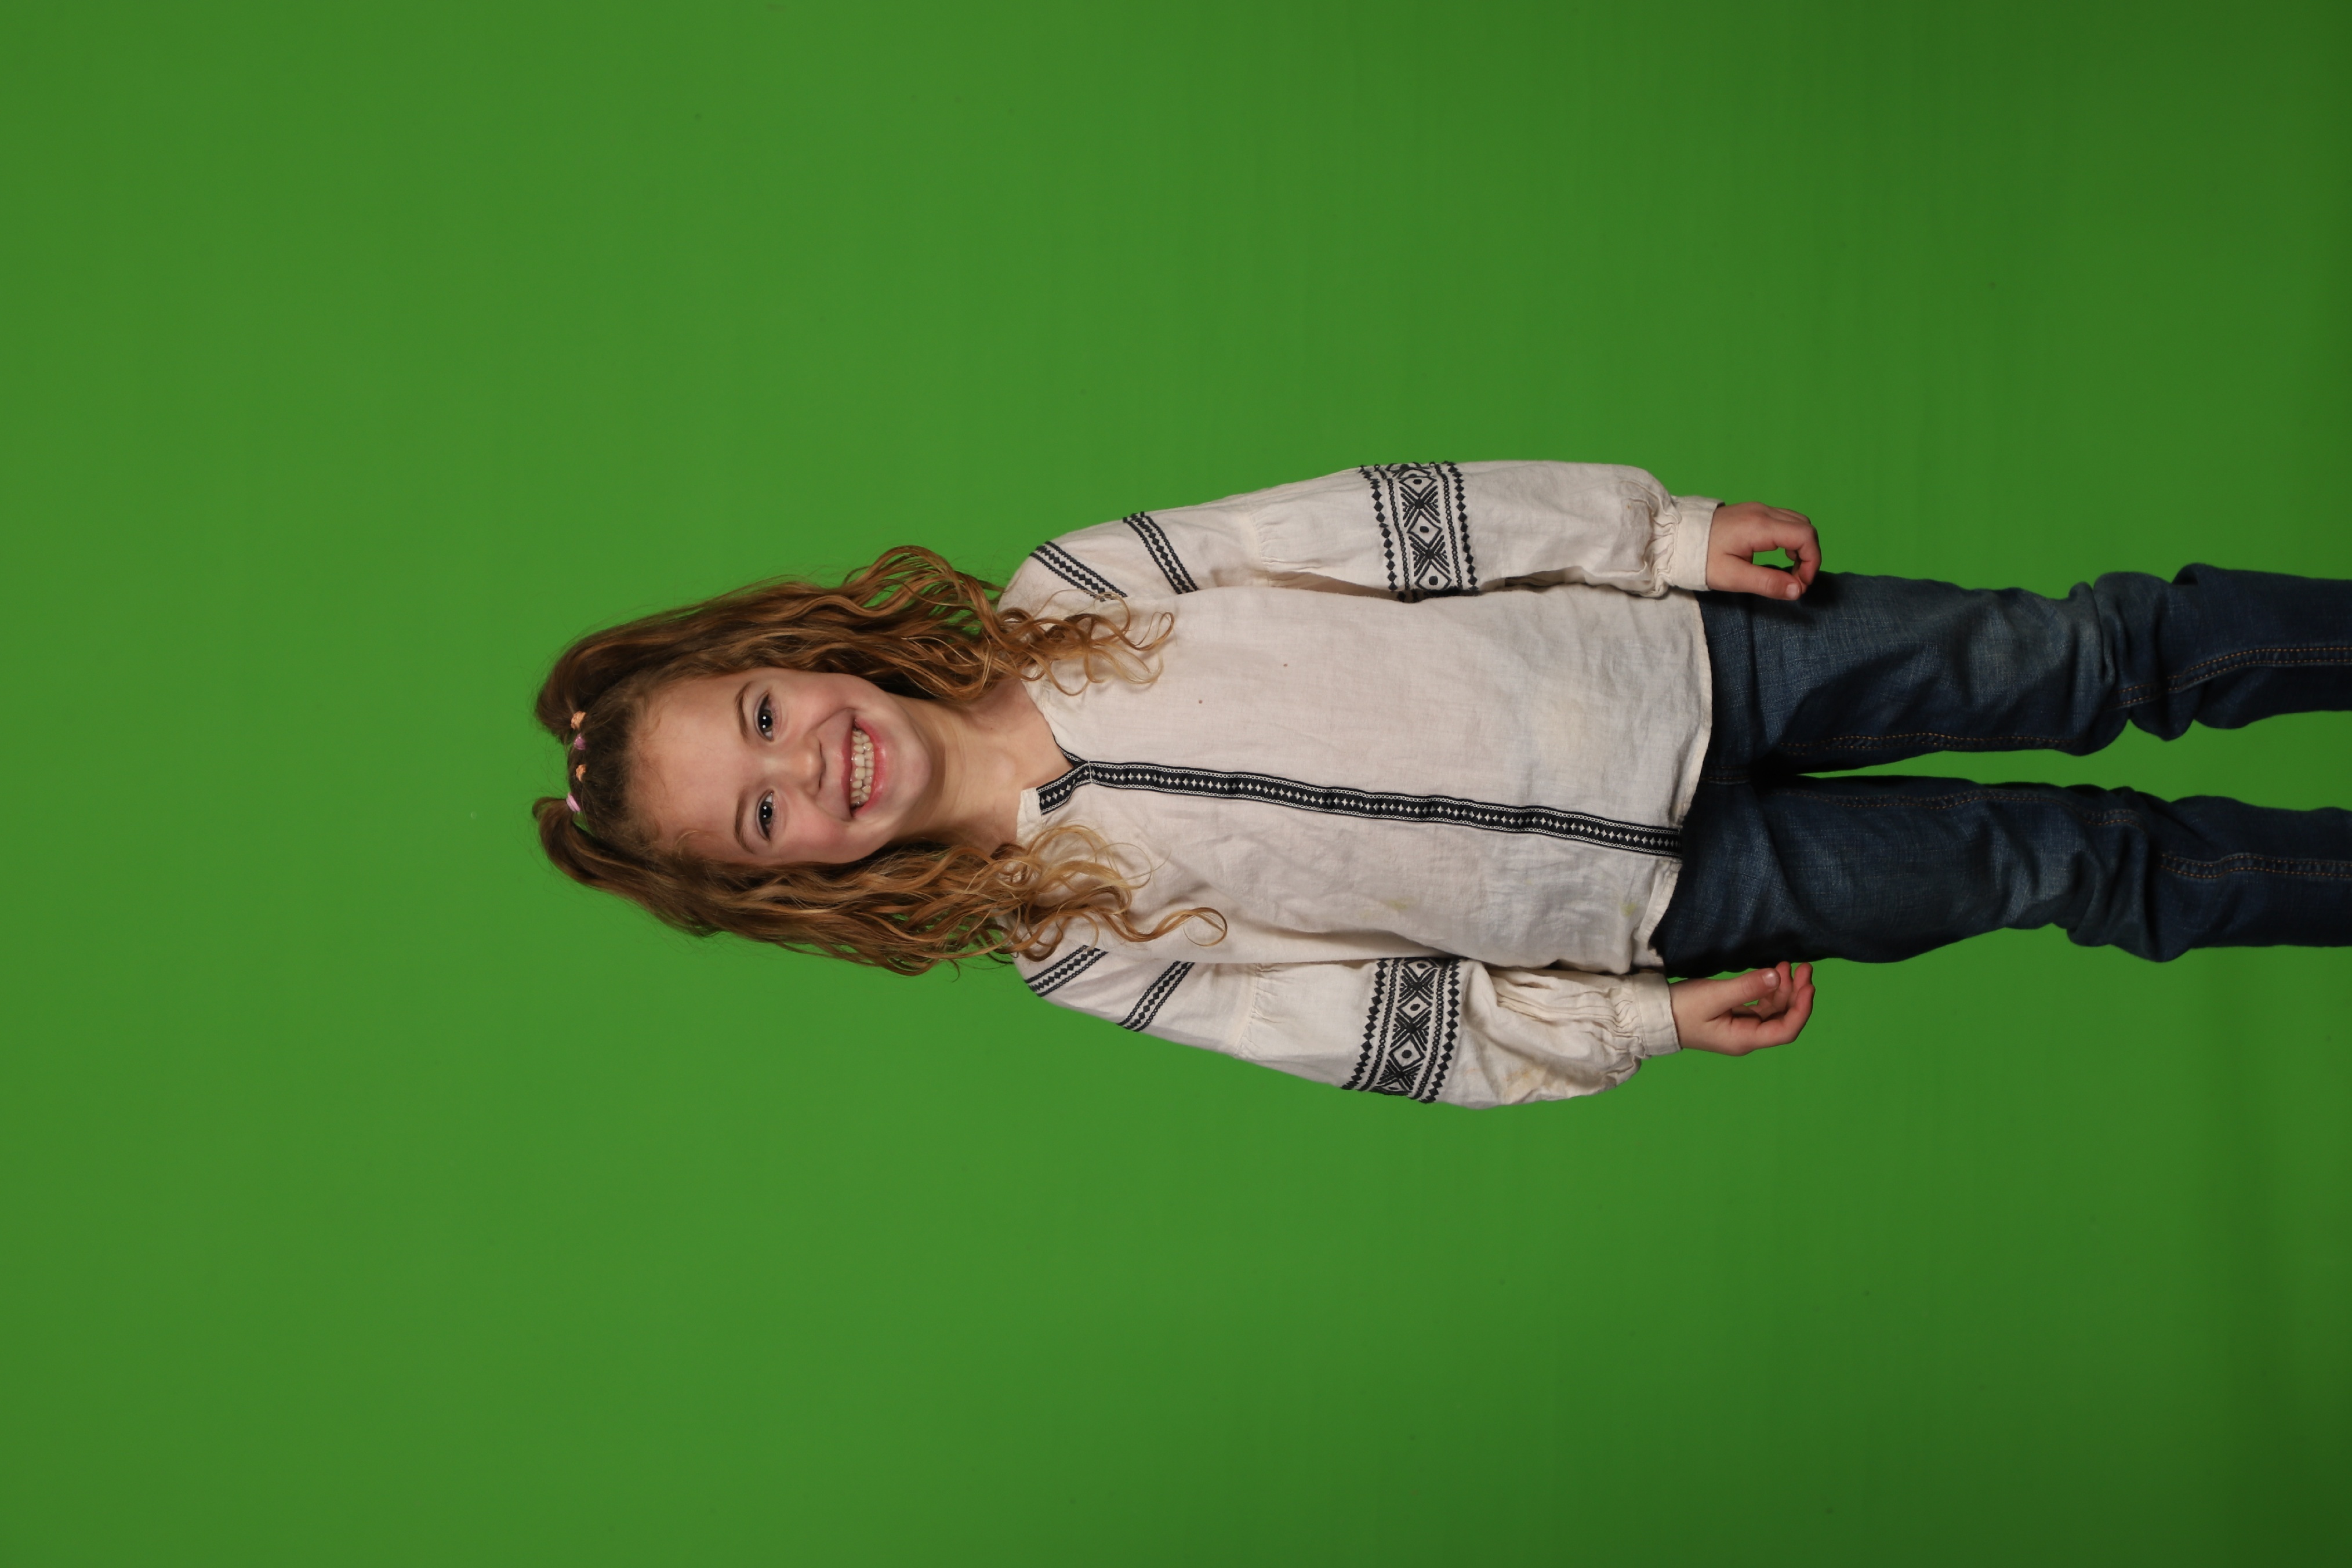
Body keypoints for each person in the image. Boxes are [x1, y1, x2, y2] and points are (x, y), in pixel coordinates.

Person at [533, 462, 2352, 1108]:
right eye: (761, 811)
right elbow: (1378, 1029)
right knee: (2073, 868)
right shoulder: (1068, 940)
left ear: (791, 649)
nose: (808, 762)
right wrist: (1633, 1025)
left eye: (762, 714)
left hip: (1688, 659)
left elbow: (1395, 525)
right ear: (783, 878)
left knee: (2087, 658)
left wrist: (1657, 537)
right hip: (1673, 905)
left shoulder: (1079, 586)